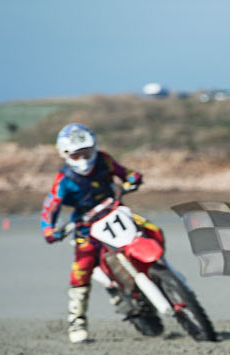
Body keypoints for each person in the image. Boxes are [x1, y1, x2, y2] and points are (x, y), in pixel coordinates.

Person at [41, 123, 162, 343]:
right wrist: (48, 229)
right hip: (86, 226)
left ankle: (161, 272)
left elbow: (125, 173)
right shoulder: (64, 180)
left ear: (94, 147)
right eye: (77, 155)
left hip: (117, 211)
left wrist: (133, 178)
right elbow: (50, 207)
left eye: (86, 152)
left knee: (152, 230)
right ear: (66, 155)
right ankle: (77, 320)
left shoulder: (104, 160)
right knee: (82, 267)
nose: (84, 158)